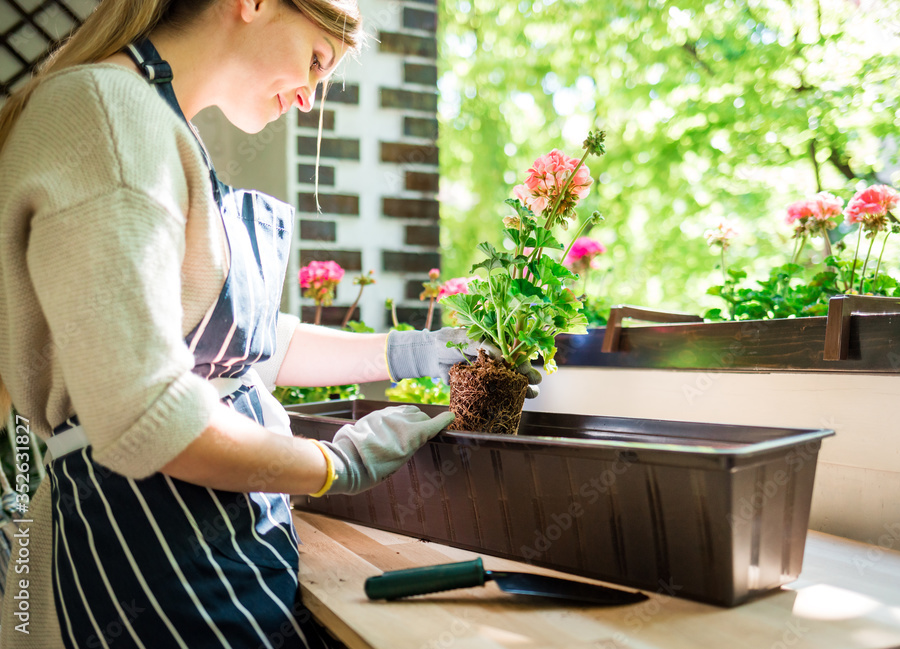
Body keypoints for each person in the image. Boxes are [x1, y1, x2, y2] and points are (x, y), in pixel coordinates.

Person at [0, 0, 540, 647]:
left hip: (218, 548)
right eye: (316, 61)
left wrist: (409, 351)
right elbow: (150, 418)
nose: (311, 99)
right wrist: (332, 461)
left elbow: (239, 347)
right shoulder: (109, 117)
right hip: (151, 562)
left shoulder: (155, 119)